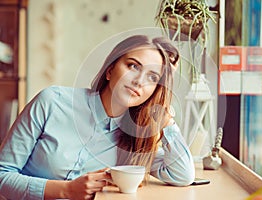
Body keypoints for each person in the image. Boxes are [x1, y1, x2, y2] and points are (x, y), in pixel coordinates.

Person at [0, 34, 195, 200]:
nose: (139, 81)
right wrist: (66, 190)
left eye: (152, 77)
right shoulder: (52, 102)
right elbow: (2, 176)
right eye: (133, 66)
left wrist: (165, 116)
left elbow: (182, 175)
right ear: (110, 70)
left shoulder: (136, 139)